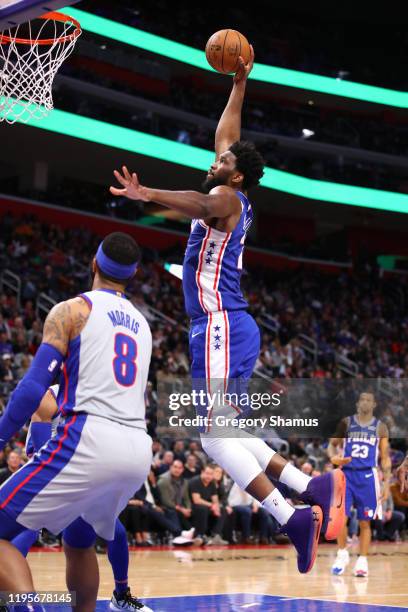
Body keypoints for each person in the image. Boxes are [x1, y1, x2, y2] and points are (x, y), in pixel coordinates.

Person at [110, 49, 345, 574]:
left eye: (223, 164)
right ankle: (311, 486)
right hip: (225, 326)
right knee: (228, 430)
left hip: (220, 325)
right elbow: (227, 136)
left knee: (214, 435)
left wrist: (144, 191)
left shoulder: (226, 200)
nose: (216, 160)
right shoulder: (233, 184)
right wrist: (239, 84)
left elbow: (199, 204)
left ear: (235, 179)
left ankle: (292, 515)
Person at [0, 232, 153, 612]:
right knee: (79, 540)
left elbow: (33, 388)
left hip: (88, 440)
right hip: (137, 450)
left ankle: (26, 608)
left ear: (94, 265)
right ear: (131, 276)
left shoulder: (72, 310)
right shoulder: (143, 325)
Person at [12, 384, 151, 610]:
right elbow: (40, 448)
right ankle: (14, 600)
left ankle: (121, 596)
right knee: (23, 534)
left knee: (116, 532)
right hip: (48, 468)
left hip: (82, 472)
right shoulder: (54, 394)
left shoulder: (101, 397)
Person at [329, 390, 391, 577]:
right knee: (340, 519)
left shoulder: (381, 427)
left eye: (368, 400)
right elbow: (332, 444)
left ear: (374, 405)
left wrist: (386, 483)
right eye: (362, 399)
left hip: (368, 477)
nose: (364, 402)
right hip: (346, 475)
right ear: (357, 404)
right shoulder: (346, 423)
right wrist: (334, 458)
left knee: (365, 523)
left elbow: (385, 458)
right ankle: (342, 554)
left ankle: (362, 562)